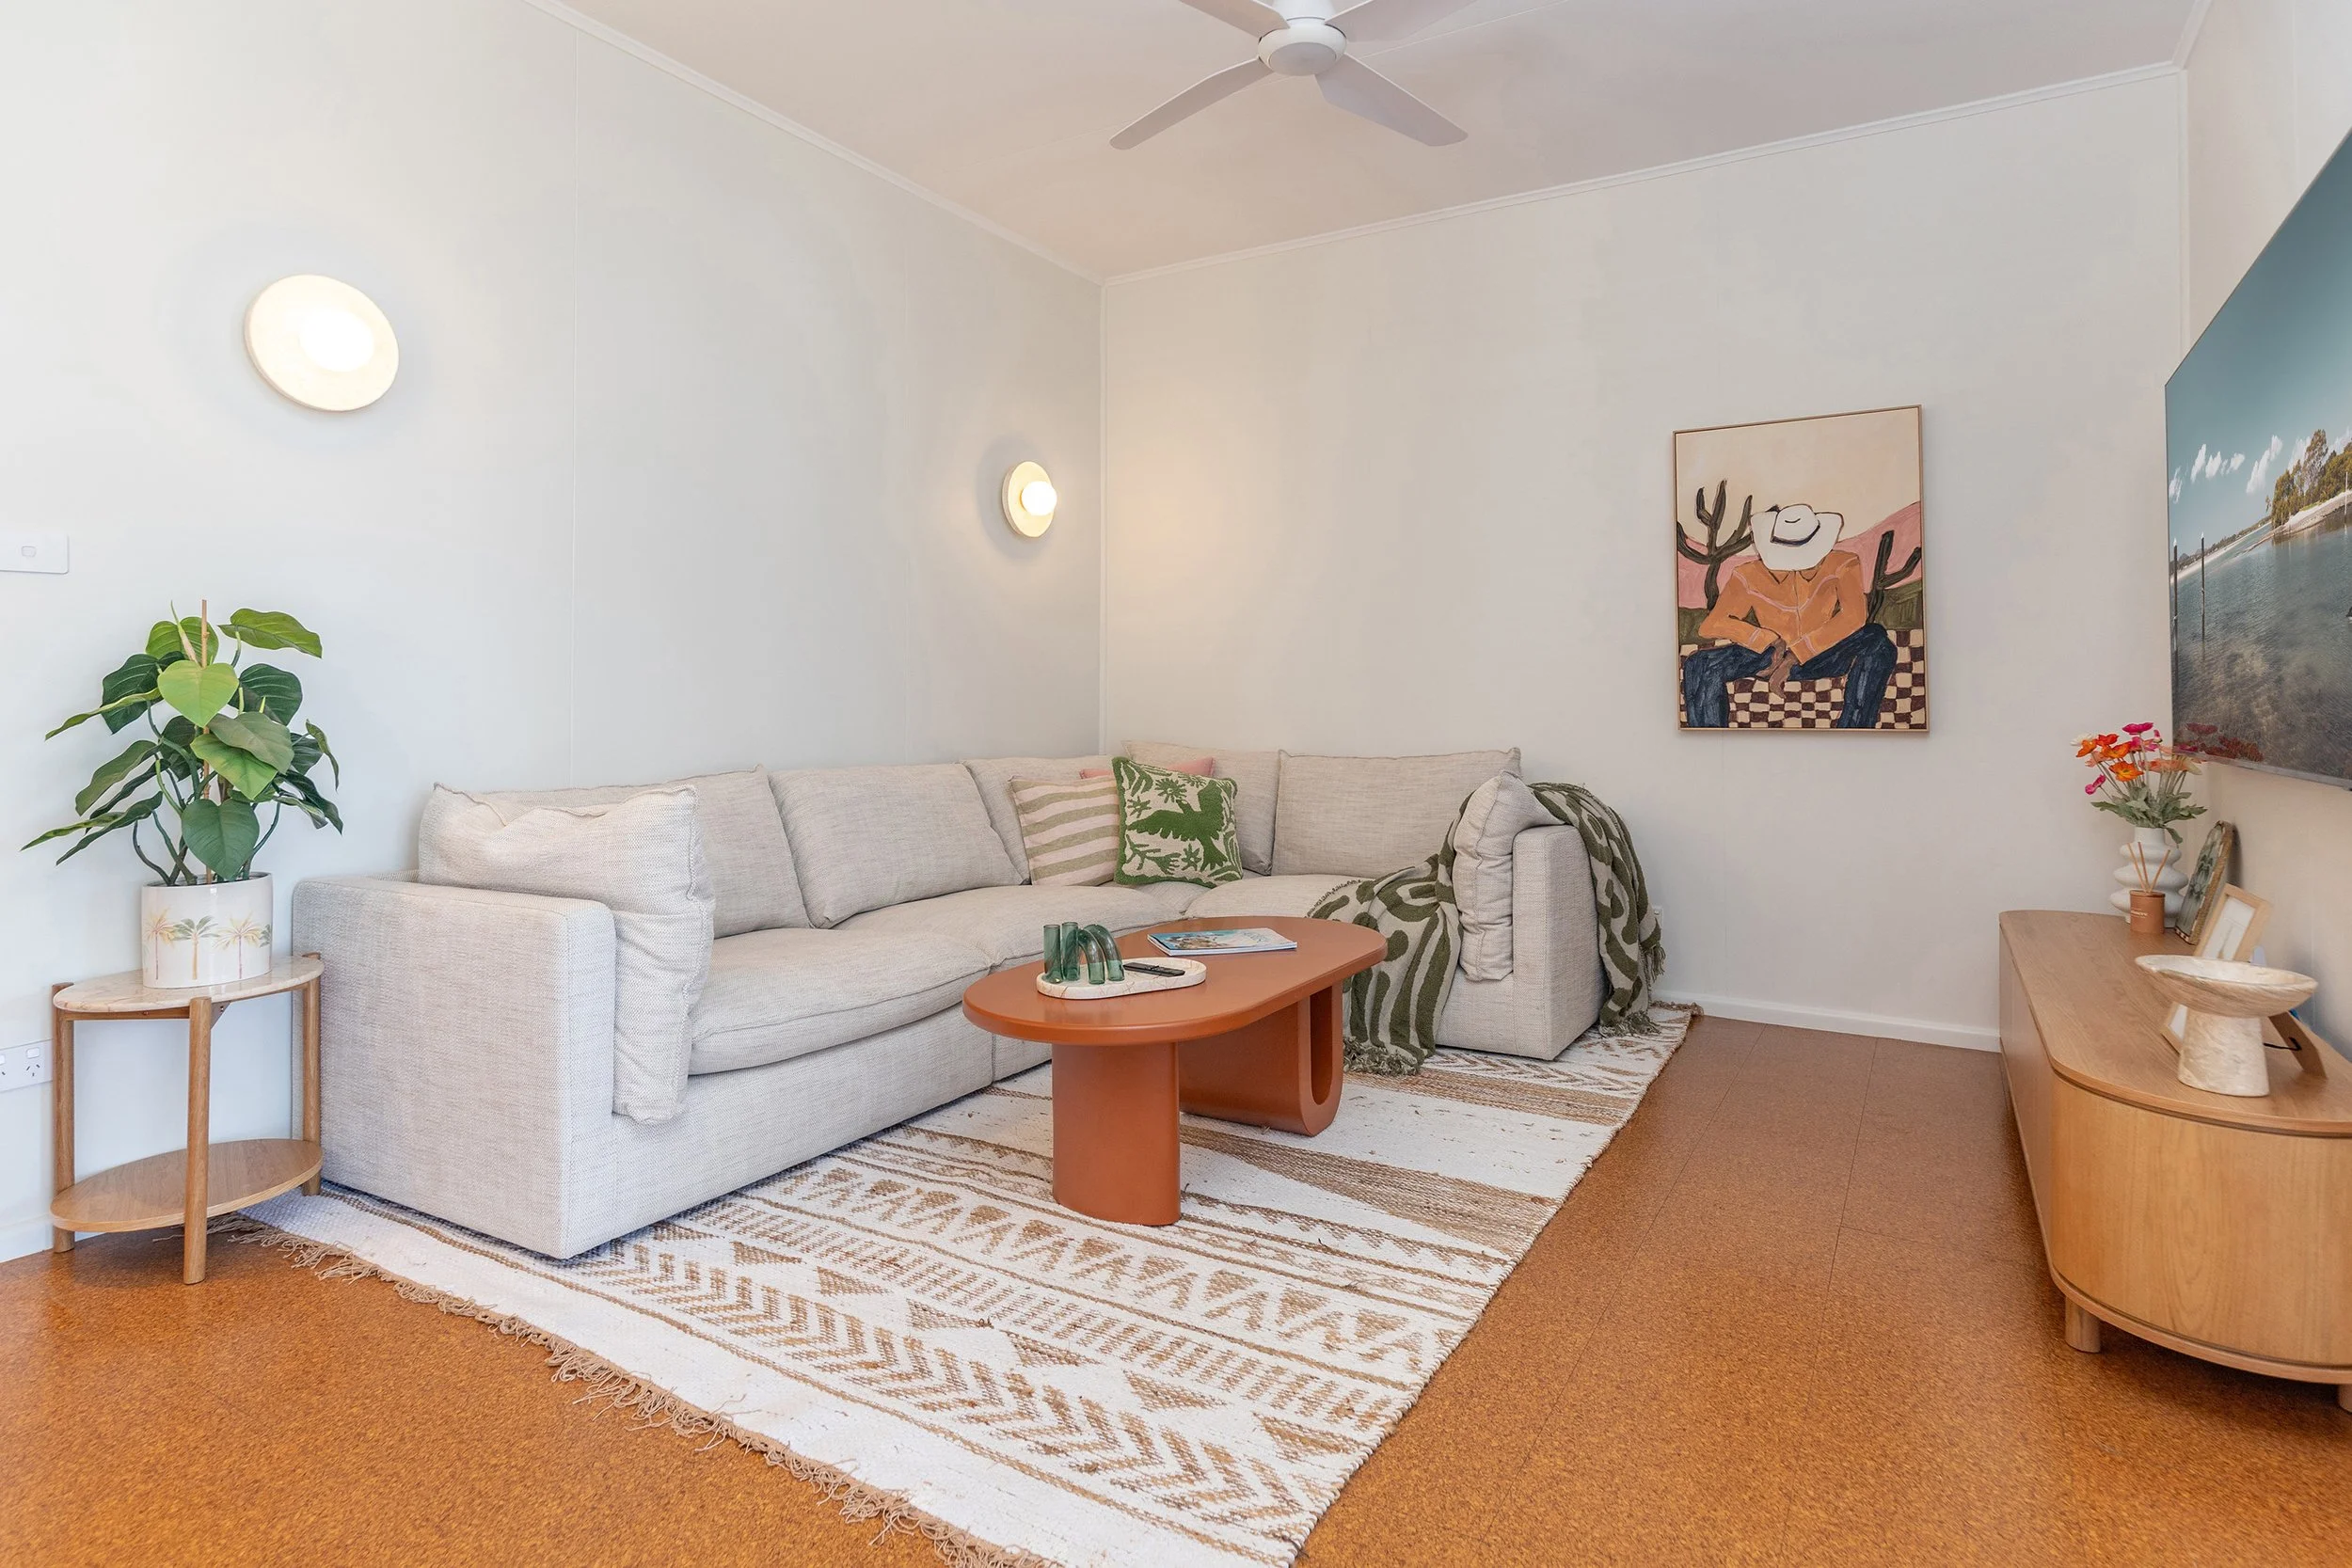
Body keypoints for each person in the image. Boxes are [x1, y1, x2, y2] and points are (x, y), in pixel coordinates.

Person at [1683, 502, 1895, 728]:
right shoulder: (1748, 574)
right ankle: (1712, 746)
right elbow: (1712, 625)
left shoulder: (1842, 564)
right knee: (1699, 664)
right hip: (1768, 656)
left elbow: (1854, 617)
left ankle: (1854, 732)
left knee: (1877, 640)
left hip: (1824, 654)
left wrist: (1796, 653)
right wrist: (1769, 640)